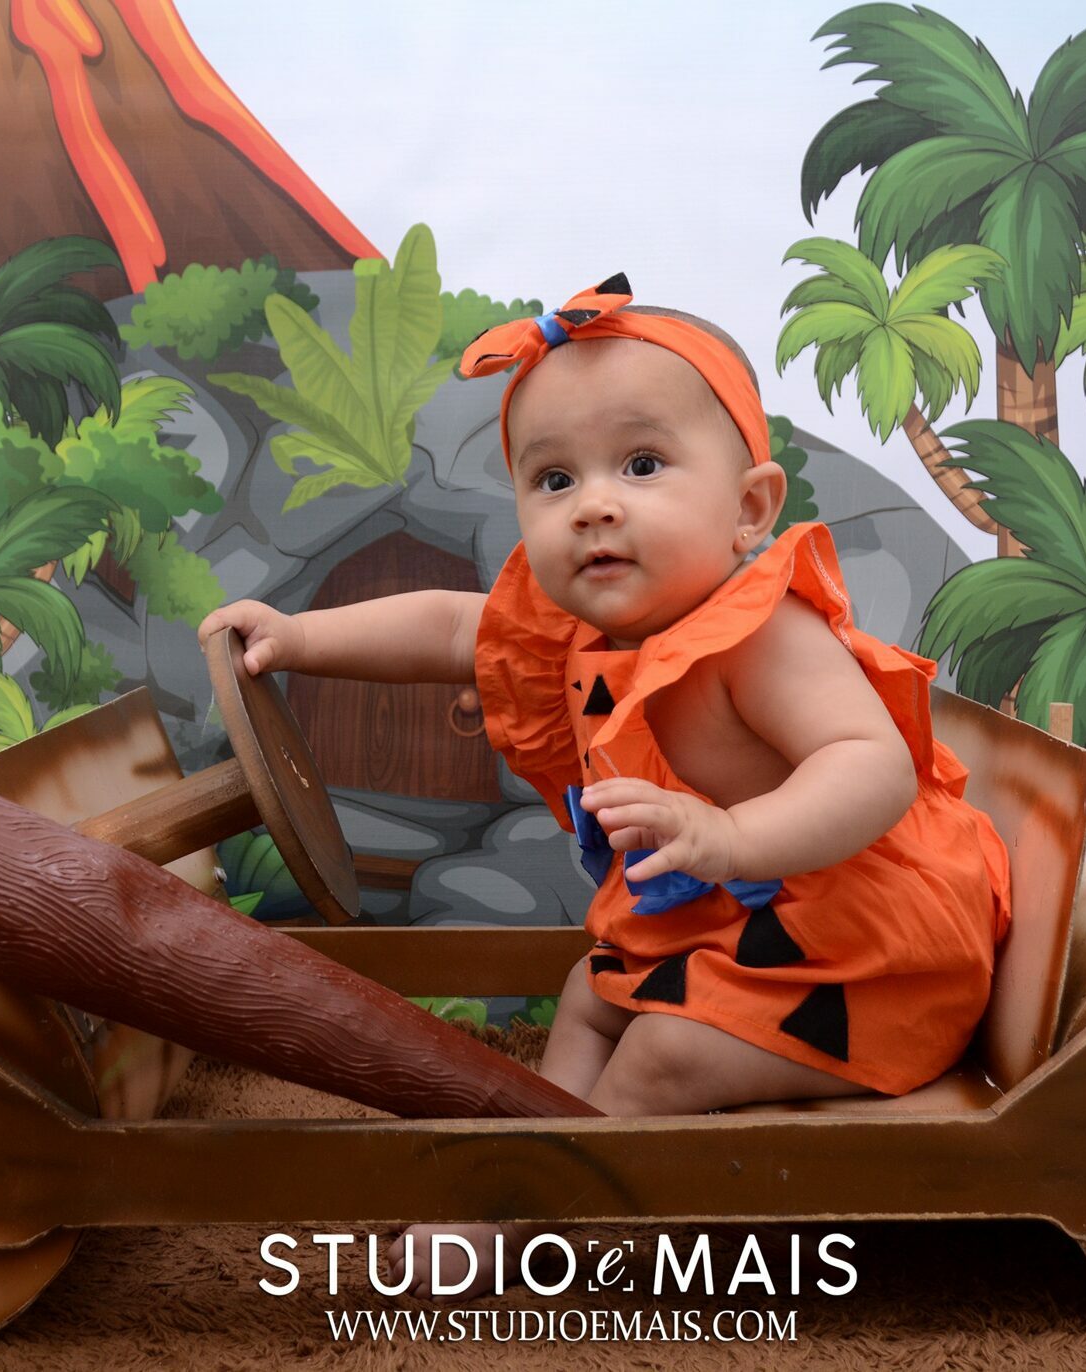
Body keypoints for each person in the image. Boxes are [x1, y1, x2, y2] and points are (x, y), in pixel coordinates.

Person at [197, 274, 1012, 1299]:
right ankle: (530, 1153)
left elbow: (873, 765)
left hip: (866, 958)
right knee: (589, 994)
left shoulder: (763, 637)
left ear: (750, 509)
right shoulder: (583, 631)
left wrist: (731, 837)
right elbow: (450, 626)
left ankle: (532, 1218)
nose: (594, 504)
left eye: (642, 464)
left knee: (665, 1051)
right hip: (738, 928)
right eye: (553, 479)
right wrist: (301, 636)